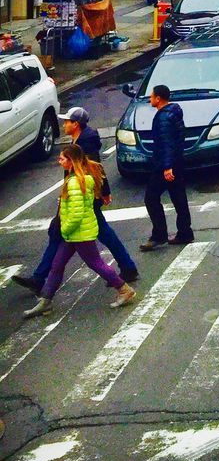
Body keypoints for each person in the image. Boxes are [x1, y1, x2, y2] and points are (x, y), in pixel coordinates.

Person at [13, 107, 138, 294]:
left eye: (67, 122)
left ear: (75, 124)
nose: (64, 125)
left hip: (83, 198)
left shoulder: (85, 142)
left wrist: (103, 191)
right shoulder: (79, 139)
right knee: (101, 235)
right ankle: (127, 267)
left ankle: (40, 280)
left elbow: (95, 167)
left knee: (68, 237)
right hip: (85, 196)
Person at [23, 145, 137, 318]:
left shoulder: (76, 182)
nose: (59, 161)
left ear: (71, 161)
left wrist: (64, 228)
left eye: (62, 158)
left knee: (95, 263)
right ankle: (45, 301)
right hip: (75, 233)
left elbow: (76, 214)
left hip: (79, 233)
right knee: (57, 265)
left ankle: (124, 289)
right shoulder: (78, 178)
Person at [140, 85, 194, 251]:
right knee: (178, 197)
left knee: (151, 197)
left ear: (158, 98)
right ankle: (185, 232)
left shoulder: (163, 118)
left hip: (165, 163)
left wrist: (167, 166)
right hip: (177, 161)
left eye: (151, 96)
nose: (150, 99)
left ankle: (159, 235)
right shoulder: (174, 111)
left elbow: (166, 143)